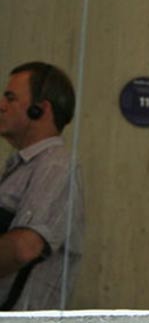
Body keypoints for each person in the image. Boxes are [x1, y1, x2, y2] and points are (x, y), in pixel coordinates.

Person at [0, 62, 84, 310]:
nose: (1, 105)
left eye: (11, 98)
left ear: (40, 110)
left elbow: (24, 248)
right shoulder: (21, 166)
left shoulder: (56, 166)